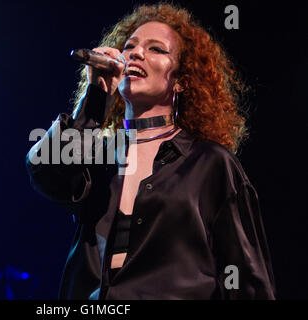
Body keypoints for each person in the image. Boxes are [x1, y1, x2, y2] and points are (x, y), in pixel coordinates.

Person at [26, 3, 276, 299]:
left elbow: (249, 280)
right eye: (129, 46)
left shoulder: (209, 163)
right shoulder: (99, 155)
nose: (136, 53)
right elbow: (45, 172)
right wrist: (93, 104)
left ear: (181, 81)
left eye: (157, 49)